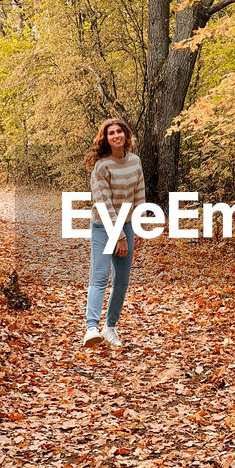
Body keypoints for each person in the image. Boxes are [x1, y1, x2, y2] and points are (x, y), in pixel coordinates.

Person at [81, 118, 145, 349]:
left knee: (122, 280)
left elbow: (139, 194)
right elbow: (104, 203)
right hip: (103, 226)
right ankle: (91, 328)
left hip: (126, 224)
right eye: (111, 133)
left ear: (126, 135)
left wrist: (136, 228)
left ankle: (110, 327)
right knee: (100, 276)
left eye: (119, 131)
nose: (116, 135)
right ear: (105, 139)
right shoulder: (102, 166)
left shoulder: (135, 162)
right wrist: (119, 236)